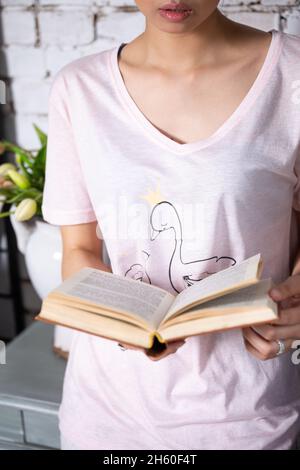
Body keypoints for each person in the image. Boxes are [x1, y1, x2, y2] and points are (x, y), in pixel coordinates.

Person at [41, 0, 300, 450]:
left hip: (249, 416)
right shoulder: (79, 88)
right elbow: (78, 252)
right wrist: (130, 326)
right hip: (105, 413)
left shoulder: (292, 74)